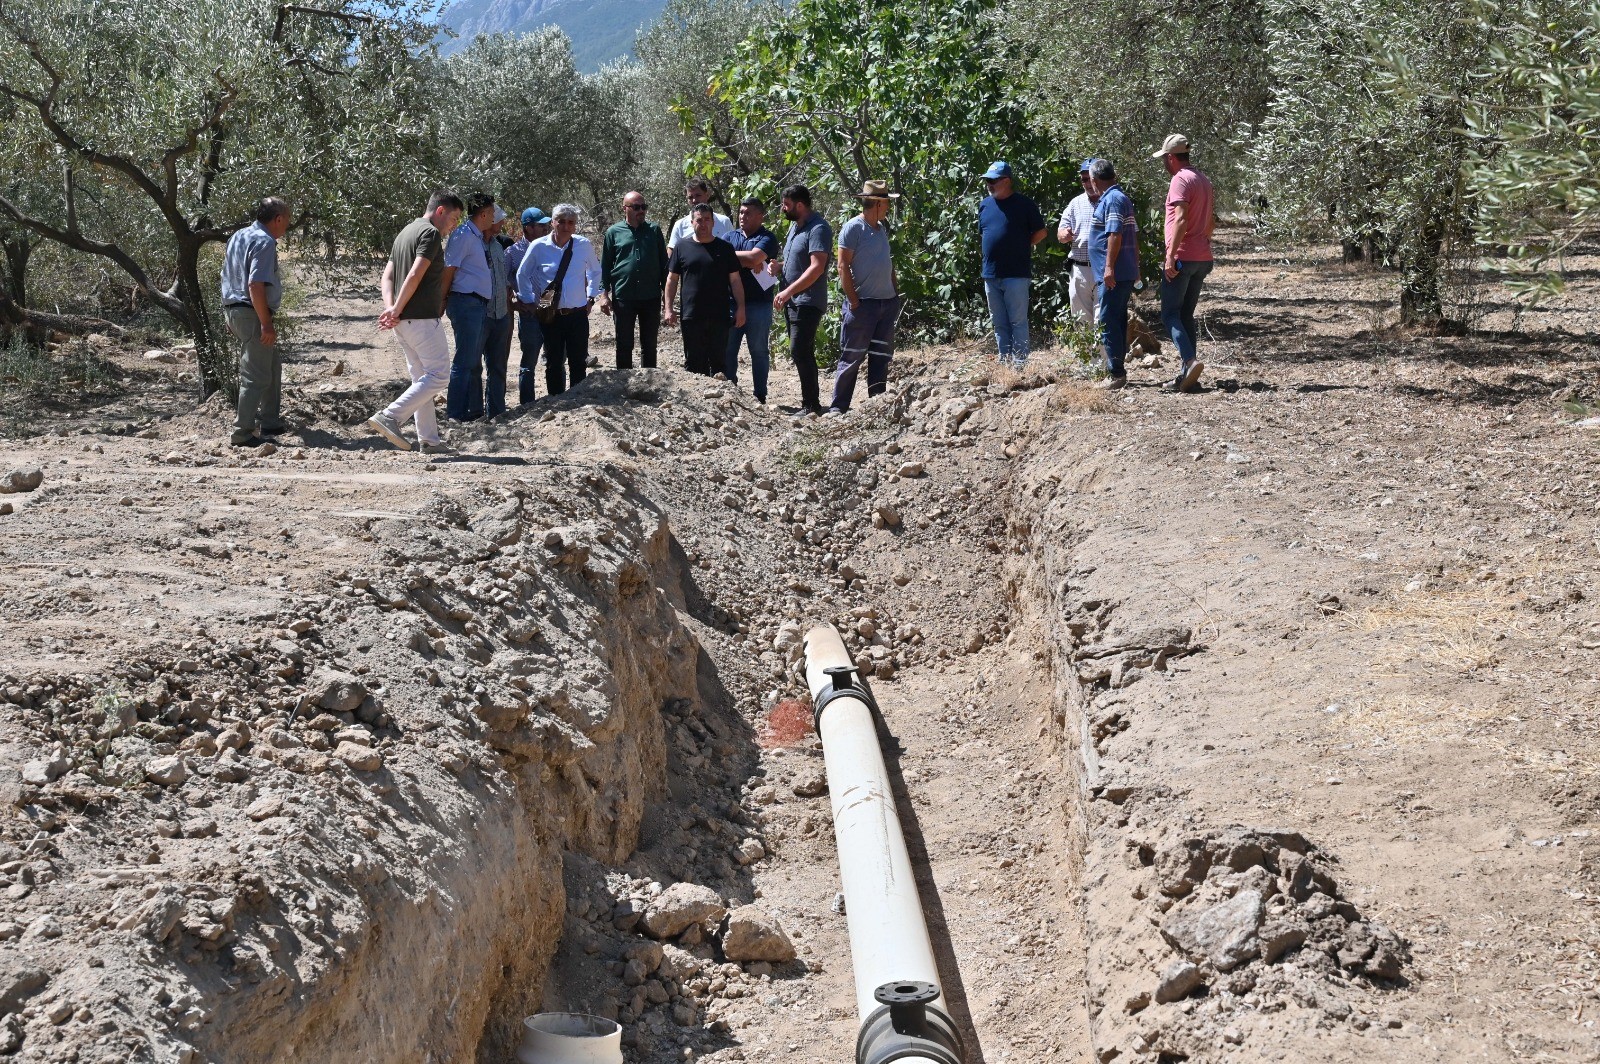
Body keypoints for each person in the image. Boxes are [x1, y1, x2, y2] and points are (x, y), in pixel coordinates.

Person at [369, 190, 464, 452]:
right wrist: (396, 308)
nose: (453, 225)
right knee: (439, 376)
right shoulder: (430, 233)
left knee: (422, 379)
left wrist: (391, 309)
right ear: (441, 211)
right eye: (454, 218)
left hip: (403, 322)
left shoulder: (405, 233)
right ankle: (390, 416)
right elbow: (415, 274)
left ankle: (430, 441)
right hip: (421, 319)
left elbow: (386, 276)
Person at [220, 196, 290, 447]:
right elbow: (254, 284)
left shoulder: (239, 235)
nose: (287, 226)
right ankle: (243, 433)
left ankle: (270, 421)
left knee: (271, 365)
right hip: (252, 312)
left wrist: (229, 313)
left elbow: (227, 275)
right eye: (287, 220)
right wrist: (265, 323)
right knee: (256, 375)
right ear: (278, 219)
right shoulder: (265, 241)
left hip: (236, 310)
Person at [514, 203, 602, 395]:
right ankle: (556, 402)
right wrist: (529, 300)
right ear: (553, 223)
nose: (566, 226)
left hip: (578, 312)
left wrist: (591, 297)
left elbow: (595, 271)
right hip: (549, 313)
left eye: (571, 222)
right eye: (561, 222)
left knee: (578, 362)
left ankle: (578, 403)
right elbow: (522, 274)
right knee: (554, 363)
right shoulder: (539, 246)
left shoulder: (583, 245)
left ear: (575, 225)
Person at [831, 181, 901, 414]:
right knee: (852, 357)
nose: (889, 206)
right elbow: (843, 266)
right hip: (864, 306)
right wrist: (853, 301)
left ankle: (877, 405)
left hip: (886, 304)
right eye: (887, 202)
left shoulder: (881, 229)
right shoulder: (853, 228)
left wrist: (895, 294)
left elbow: (888, 264)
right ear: (878, 204)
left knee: (881, 356)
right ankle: (838, 408)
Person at [1153, 134, 1215, 392]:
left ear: (1171, 157)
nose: (1164, 165)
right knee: (1186, 314)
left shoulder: (1180, 180)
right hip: (1202, 257)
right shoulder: (1203, 180)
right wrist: (1204, 242)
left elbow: (1180, 219)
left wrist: (1170, 255)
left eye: (1164, 160)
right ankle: (1187, 374)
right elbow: (1210, 220)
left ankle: (1189, 362)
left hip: (1183, 257)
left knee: (1169, 313)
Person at [977, 161, 1047, 366]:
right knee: (999, 322)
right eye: (987, 181)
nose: (989, 184)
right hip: (990, 273)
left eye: (993, 180)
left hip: (1016, 273)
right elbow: (985, 234)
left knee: (1017, 321)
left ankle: (1020, 364)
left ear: (1006, 181)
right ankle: (1004, 361)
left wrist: (1023, 246)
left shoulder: (1025, 204)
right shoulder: (985, 205)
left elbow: (1041, 232)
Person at [664, 203, 745, 376]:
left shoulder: (725, 248)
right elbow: (672, 279)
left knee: (719, 363)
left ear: (713, 222)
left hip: (720, 315)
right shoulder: (681, 247)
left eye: (707, 220)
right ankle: (697, 401)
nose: (703, 224)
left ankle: (719, 401)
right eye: (699, 220)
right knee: (694, 363)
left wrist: (741, 308)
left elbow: (735, 280)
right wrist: (668, 308)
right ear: (692, 223)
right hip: (691, 315)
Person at [773, 184, 833, 417]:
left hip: (807, 300)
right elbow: (795, 263)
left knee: (800, 349)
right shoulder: (795, 228)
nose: (782, 209)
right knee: (800, 351)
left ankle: (811, 405)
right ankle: (809, 403)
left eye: (786, 205)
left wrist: (788, 292)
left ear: (800, 205)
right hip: (793, 302)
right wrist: (778, 267)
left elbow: (816, 268)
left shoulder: (818, 229)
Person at [600, 191, 669, 370]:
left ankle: (649, 382)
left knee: (649, 345)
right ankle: (624, 383)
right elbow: (605, 266)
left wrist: (666, 296)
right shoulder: (613, 232)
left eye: (643, 207)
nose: (641, 211)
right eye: (636, 207)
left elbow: (663, 264)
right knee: (624, 344)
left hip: (650, 296)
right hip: (624, 296)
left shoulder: (654, 231)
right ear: (625, 208)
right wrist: (604, 295)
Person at [443, 192, 496, 422]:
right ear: (483, 214)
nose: (494, 217)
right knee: (464, 361)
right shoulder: (463, 235)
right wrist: (442, 300)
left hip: (476, 304)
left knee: (470, 361)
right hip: (465, 303)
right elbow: (449, 269)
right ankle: (455, 414)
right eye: (492, 213)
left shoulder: (474, 236)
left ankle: (466, 412)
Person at [1087, 159, 1139, 389]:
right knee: (1115, 319)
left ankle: (1116, 374)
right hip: (1119, 273)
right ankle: (1117, 370)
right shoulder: (1118, 198)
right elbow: (1133, 237)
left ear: (1095, 180)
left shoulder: (1113, 200)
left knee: (1108, 320)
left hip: (1113, 275)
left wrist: (1109, 267)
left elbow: (1115, 235)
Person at [723, 197, 780, 402]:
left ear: (760, 216)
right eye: (740, 212)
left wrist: (750, 259)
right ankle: (730, 392)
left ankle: (760, 395)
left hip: (759, 303)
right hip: (730, 302)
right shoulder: (729, 236)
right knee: (728, 349)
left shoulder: (768, 238)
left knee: (758, 350)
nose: (742, 216)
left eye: (748, 213)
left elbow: (753, 259)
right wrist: (748, 258)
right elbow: (725, 257)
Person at [506, 207, 551, 405]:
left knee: (556, 360)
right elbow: (500, 283)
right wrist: (512, 304)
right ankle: (527, 406)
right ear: (528, 228)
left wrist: (545, 305)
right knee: (528, 364)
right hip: (529, 317)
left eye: (546, 224)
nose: (546, 228)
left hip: (551, 313)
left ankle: (556, 401)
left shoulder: (551, 248)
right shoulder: (512, 254)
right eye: (540, 225)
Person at [1056, 159, 1100, 324]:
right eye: (1084, 179)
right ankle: (1084, 352)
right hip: (1079, 269)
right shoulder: (1075, 203)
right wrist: (1064, 235)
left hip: (1104, 269)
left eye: (1090, 178)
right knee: (1081, 321)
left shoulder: (1112, 200)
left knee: (1101, 322)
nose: (1088, 183)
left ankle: (1102, 351)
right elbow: (1060, 233)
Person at [481, 205, 514, 419]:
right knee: (473, 367)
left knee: (498, 365)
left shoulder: (498, 245)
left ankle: (496, 412)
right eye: (499, 219)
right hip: (479, 314)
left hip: (501, 313)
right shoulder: (472, 244)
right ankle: (472, 412)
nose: (502, 224)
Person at [667, 178, 733, 252]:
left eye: (698, 195)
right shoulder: (680, 225)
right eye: (690, 197)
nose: (694, 200)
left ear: (707, 195)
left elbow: (733, 250)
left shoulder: (724, 222)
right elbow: (671, 253)